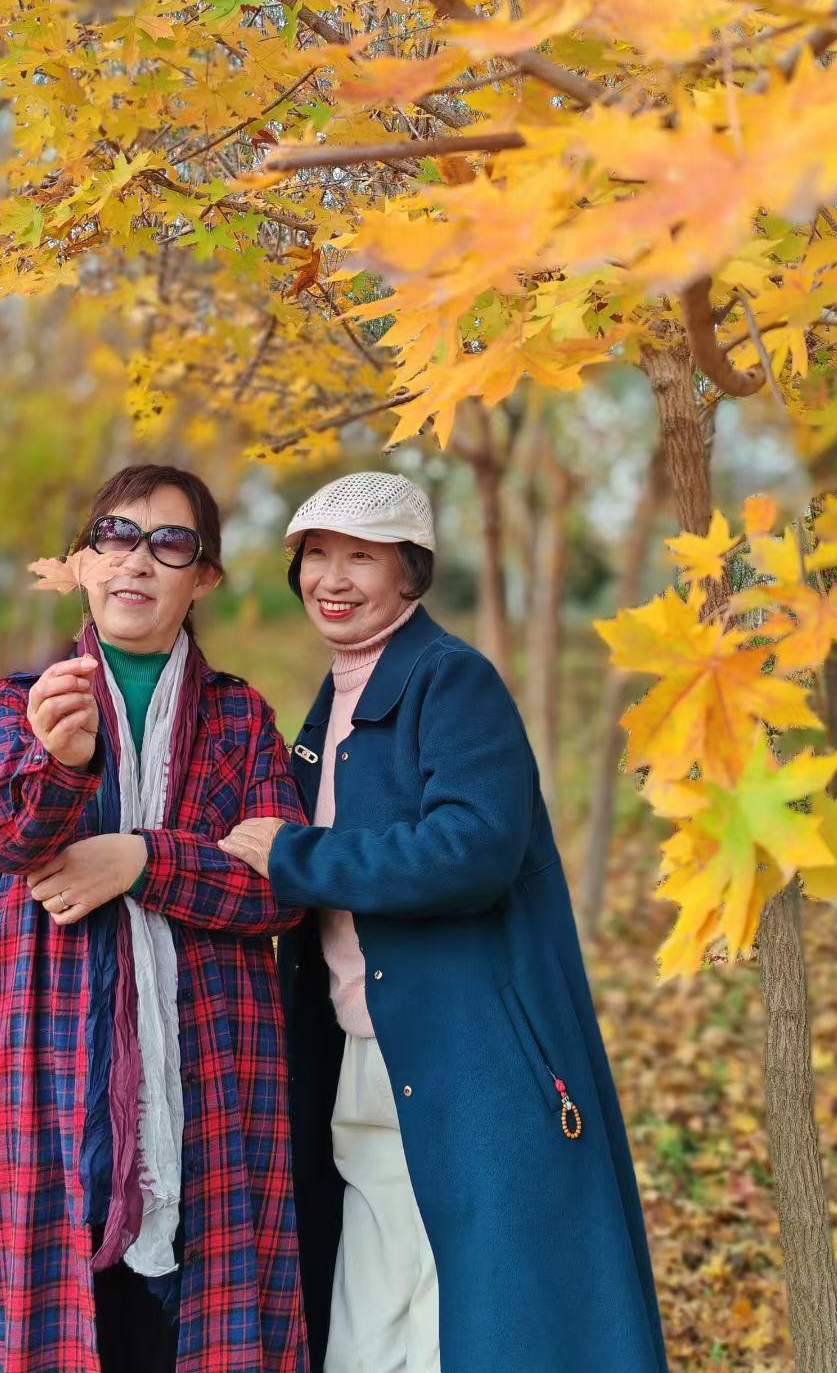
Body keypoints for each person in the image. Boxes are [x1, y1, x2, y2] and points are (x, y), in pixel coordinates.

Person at [220, 469, 669, 1373]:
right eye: (316, 556)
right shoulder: (336, 697)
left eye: (361, 558)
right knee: (371, 1319)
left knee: (476, 1318)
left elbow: (472, 848)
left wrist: (298, 857)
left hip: (465, 1061)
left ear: (411, 573)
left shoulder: (451, 681)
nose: (331, 579)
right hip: (360, 1052)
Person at [0, 463, 309, 1373]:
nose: (136, 560)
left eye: (170, 543)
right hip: (49, 1071)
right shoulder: (25, 702)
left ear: (204, 577)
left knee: (194, 1332)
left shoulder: (239, 720)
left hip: (212, 1076)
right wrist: (62, 766)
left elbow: (282, 888)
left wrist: (144, 861)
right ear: (82, 563)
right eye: (113, 536)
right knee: (58, 1329)